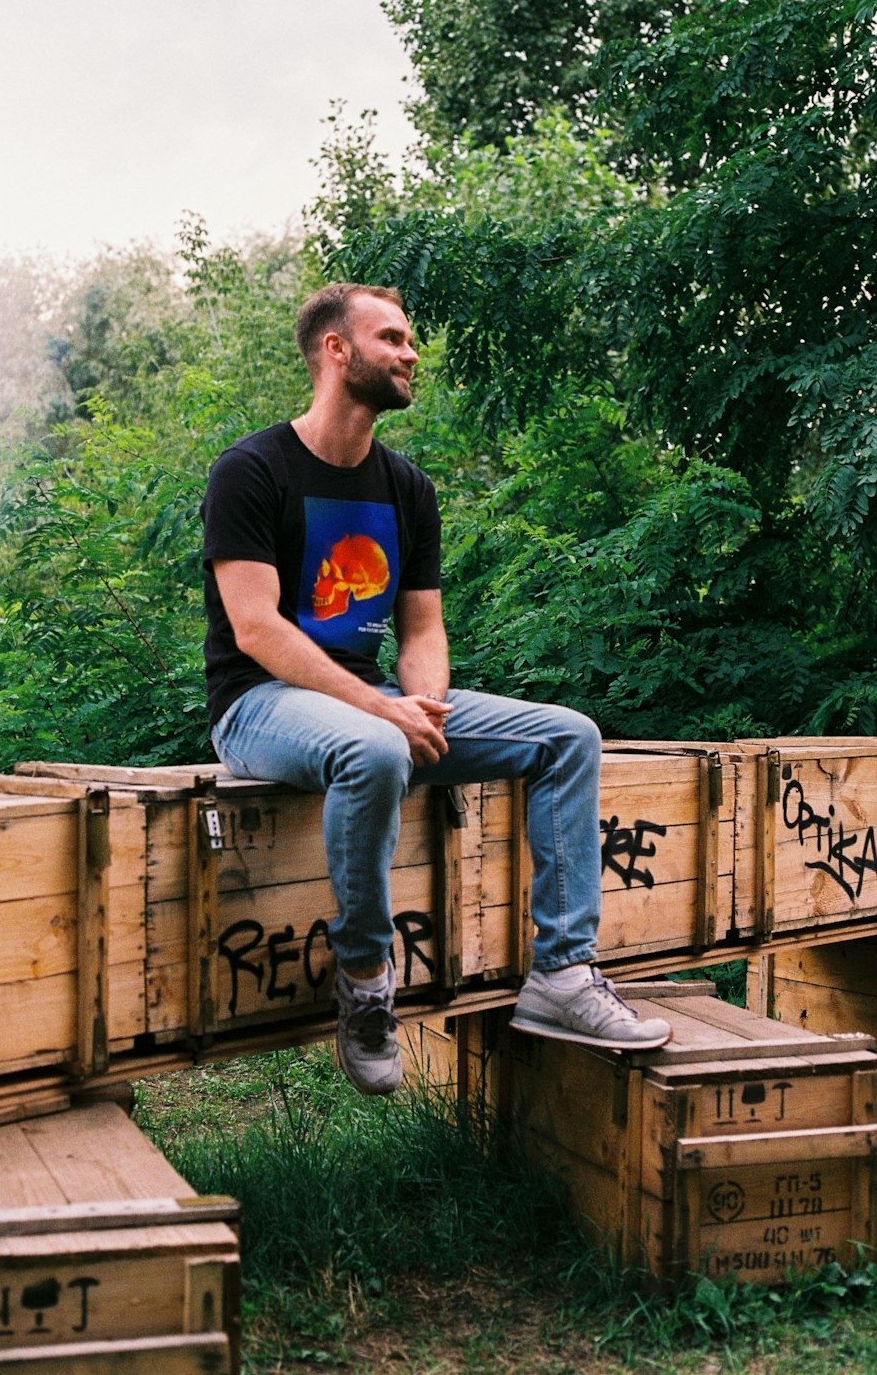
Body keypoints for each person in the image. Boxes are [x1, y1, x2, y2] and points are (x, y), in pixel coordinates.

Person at [201, 282, 671, 1095]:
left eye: (410, 339)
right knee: (375, 746)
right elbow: (258, 629)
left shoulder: (407, 487)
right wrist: (383, 712)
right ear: (336, 351)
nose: (411, 353)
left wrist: (427, 706)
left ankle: (560, 975)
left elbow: (420, 631)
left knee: (570, 736)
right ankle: (365, 979)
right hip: (259, 705)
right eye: (392, 338)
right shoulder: (251, 469)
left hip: (371, 706)